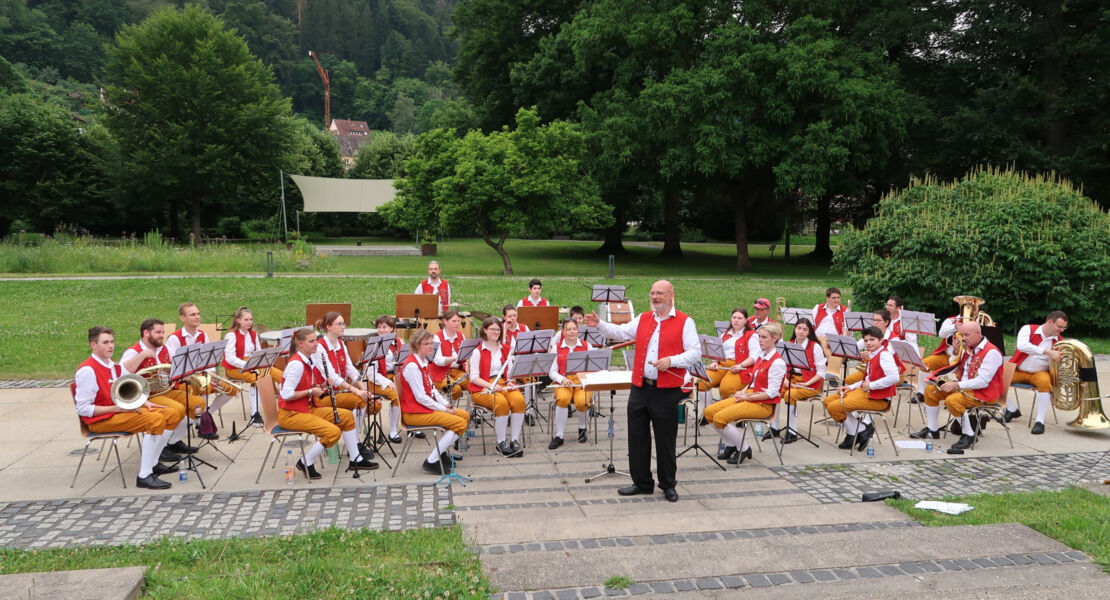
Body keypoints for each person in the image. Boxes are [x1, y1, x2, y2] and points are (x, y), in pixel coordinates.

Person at [586, 280, 699, 503]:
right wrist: (600, 324)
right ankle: (642, 482)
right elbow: (620, 331)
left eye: (659, 293)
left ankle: (668, 484)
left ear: (670, 295)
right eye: (652, 293)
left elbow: (695, 352)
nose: (655, 297)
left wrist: (672, 360)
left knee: (665, 440)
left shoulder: (685, 322)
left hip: (666, 390)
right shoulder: (645, 318)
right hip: (640, 387)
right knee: (637, 437)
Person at [74, 326, 181, 489]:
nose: (111, 346)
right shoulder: (88, 370)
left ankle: (153, 462)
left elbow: (133, 389)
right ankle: (144, 475)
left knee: (172, 414)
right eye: (105, 342)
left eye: (112, 341)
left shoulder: (114, 366)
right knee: (156, 419)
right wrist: (115, 409)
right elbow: (82, 409)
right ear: (93, 346)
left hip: (119, 412)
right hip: (100, 420)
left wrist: (145, 402)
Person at [278, 327, 379, 478]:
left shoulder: (308, 360)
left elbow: (304, 387)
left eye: (315, 340)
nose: (316, 344)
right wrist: (311, 392)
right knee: (332, 432)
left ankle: (355, 458)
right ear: (300, 344)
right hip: (291, 414)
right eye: (311, 341)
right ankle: (306, 461)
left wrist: (321, 386)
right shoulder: (297, 364)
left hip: (306, 408)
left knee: (346, 417)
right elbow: (286, 395)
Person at [911, 321, 1005, 450]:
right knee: (931, 390)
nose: (963, 338)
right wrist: (955, 353)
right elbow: (955, 367)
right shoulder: (968, 347)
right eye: (962, 335)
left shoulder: (991, 352)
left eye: (966, 335)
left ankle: (969, 434)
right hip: (964, 386)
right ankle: (932, 429)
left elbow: (983, 381)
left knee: (952, 401)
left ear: (978, 334)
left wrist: (956, 385)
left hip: (984, 392)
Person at [704, 323, 787, 465]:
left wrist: (747, 396)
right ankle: (731, 444)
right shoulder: (762, 355)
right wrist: (743, 391)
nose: (759, 340)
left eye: (763, 337)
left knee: (719, 418)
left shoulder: (777, 362)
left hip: (763, 404)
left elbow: (771, 394)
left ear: (774, 339)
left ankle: (744, 448)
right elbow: (753, 381)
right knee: (709, 412)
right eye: (759, 336)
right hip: (750, 395)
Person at [119, 318, 200, 458]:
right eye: (158, 332)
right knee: (178, 410)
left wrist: (184, 373)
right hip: (148, 395)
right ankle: (159, 449)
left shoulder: (166, 348)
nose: (162, 335)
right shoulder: (133, 352)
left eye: (163, 332)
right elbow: (121, 375)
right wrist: (141, 356)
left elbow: (178, 365)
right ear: (146, 333)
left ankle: (173, 442)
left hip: (166, 390)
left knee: (198, 404)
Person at [399, 329, 472, 474]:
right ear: (417, 345)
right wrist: (444, 409)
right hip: (414, 412)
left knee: (465, 416)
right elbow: (421, 397)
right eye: (427, 344)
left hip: (422, 408)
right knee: (460, 423)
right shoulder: (413, 366)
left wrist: (445, 404)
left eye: (432, 343)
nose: (431, 346)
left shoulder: (424, 361)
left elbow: (431, 390)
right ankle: (431, 461)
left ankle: (442, 451)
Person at [313, 311, 378, 457]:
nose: (344, 327)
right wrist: (355, 390)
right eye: (340, 324)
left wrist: (362, 387)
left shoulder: (341, 343)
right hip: (324, 396)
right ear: (329, 327)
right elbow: (332, 377)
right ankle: (354, 444)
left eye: (344, 323)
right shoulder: (320, 347)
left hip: (339, 393)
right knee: (361, 400)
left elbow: (350, 369)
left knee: (373, 403)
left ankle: (353, 441)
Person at [824, 326, 898, 451]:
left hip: (878, 399)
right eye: (866, 340)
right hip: (866, 392)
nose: (868, 343)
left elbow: (894, 377)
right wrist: (850, 387)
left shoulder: (884, 354)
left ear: (881, 340)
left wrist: (872, 385)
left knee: (834, 407)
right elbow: (867, 378)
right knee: (827, 401)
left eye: (872, 340)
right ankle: (861, 431)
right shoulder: (874, 354)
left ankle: (854, 433)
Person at [468, 317, 527, 456]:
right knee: (501, 403)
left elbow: (511, 371)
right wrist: (491, 386)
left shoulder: (505, 349)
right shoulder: (477, 351)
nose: (496, 332)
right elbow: (473, 377)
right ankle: (501, 442)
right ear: (485, 330)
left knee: (519, 401)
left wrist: (511, 381)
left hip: (503, 384)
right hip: (483, 387)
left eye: (498, 329)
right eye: (492, 329)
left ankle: (514, 440)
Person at [1007, 311, 1067, 434]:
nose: (1062, 330)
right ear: (1050, 322)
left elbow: (1060, 365)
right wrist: (1048, 352)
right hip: (1018, 369)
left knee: (1045, 383)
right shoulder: (1028, 329)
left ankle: (1040, 421)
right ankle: (1011, 409)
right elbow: (1022, 346)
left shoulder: (1060, 342)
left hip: (1039, 373)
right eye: (1059, 327)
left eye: (1064, 327)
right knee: (992, 378)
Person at [771, 318, 827, 444]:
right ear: (795, 329)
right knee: (775, 392)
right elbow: (782, 364)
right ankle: (774, 427)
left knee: (790, 395)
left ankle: (792, 431)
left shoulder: (815, 347)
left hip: (810, 382)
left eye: (805, 329)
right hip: (791, 379)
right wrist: (784, 378)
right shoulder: (789, 343)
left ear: (809, 332)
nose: (801, 332)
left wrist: (807, 383)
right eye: (799, 328)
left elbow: (821, 372)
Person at [221, 307, 279, 427]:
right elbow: (230, 358)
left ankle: (293, 399)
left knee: (276, 373)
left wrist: (259, 362)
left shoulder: (253, 334)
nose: (249, 322)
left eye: (251, 319)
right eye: (246, 319)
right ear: (238, 320)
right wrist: (248, 365)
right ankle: (254, 415)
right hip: (234, 367)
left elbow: (258, 352)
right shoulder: (231, 336)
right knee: (258, 378)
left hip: (252, 364)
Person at [548, 318, 593, 448]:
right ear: (563, 331)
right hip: (564, 381)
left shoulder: (587, 346)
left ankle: (582, 429)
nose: (572, 332)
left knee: (582, 401)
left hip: (582, 381)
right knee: (562, 399)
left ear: (578, 330)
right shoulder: (557, 348)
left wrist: (584, 378)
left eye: (574, 329)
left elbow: (594, 367)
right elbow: (552, 371)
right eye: (568, 329)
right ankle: (560, 435)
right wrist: (562, 379)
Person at [707, 308, 759, 401]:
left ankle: (722, 411)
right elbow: (717, 352)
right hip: (722, 365)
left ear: (746, 320)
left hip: (741, 368)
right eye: (734, 317)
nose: (736, 320)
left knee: (726, 389)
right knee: (702, 382)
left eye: (739, 318)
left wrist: (740, 365)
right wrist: (715, 362)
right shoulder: (725, 334)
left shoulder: (752, 335)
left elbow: (754, 356)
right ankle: (705, 412)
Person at [367, 315, 404, 443]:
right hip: (377, 380)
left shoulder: (399, 342)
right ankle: (393, 431)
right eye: (379, 327)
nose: (381, 330)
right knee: (396, 395)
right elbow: (371, 374)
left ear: (392, 329)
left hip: (394, 376)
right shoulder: (375, 345)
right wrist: (388, 382)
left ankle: (412, 424)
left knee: (413, 390)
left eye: (384, 327)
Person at [911, 313, 960, 403]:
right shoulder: (952, 320)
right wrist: (955, 326)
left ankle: (956, 397)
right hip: (946, 355)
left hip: (963, 359)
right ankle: (922, 392)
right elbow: (941, 333)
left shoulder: (979, 322)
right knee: (924, 364)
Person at [430, 310, 467, 401]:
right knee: (455, 389)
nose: (457, 324)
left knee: (473, 384)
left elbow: (466, 357)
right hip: (440, 372)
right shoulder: (436, 337)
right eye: (454, 321)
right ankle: (447, 409)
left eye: (458, 321)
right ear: (445, 321)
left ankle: (469, 410)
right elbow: (438, 361)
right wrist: (454, 358)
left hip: (457, 371)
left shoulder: (461, 335)